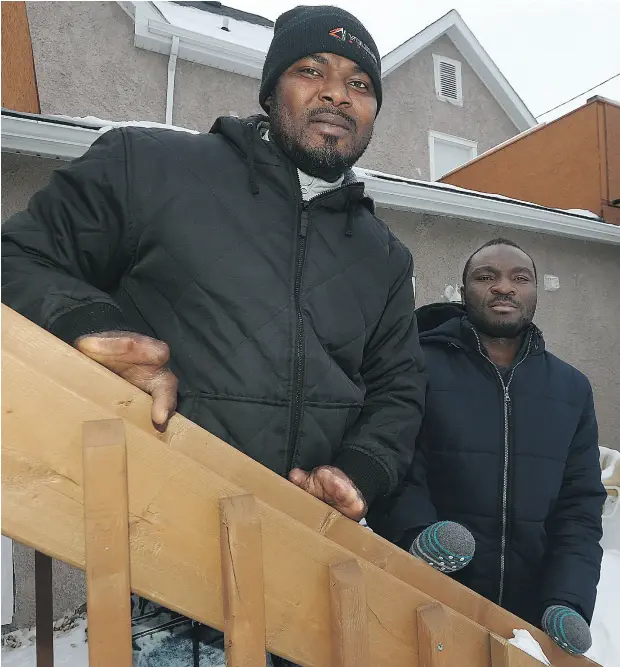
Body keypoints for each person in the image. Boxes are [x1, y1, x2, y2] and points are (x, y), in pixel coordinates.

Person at [2, 6, 426, 665]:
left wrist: (361, 469)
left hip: (305, 569)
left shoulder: (385, 258)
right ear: (268, 90)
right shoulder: (151, 167)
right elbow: (20, 258)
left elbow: (399, 390)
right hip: (162, 570)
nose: (338, 92)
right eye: (311, 70)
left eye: (360, 83)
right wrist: (91, 329)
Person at [368, 238, 606, 656]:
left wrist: (567, 598)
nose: (503, 287)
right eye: (486, 276)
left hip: (526, 623)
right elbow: (395, 459)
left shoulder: (571, 389)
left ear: (535, 292)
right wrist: (416, 535)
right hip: (425, 595)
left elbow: (580, 506)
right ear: (463, 293)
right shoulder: (416, 364)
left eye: (520, 277)